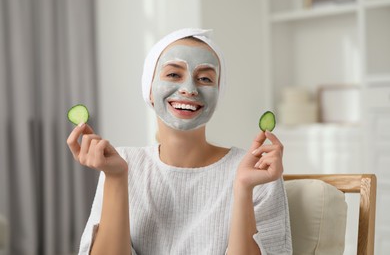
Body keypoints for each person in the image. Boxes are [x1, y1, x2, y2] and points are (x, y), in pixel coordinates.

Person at [67, 28, 292, 255]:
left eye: (205, 78)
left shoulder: (257, 171)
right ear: (150, 89)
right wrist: (116, 178)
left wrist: (243, 188)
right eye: (173, 75)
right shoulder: (121, 163)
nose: (189, 89)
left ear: (218, 93)